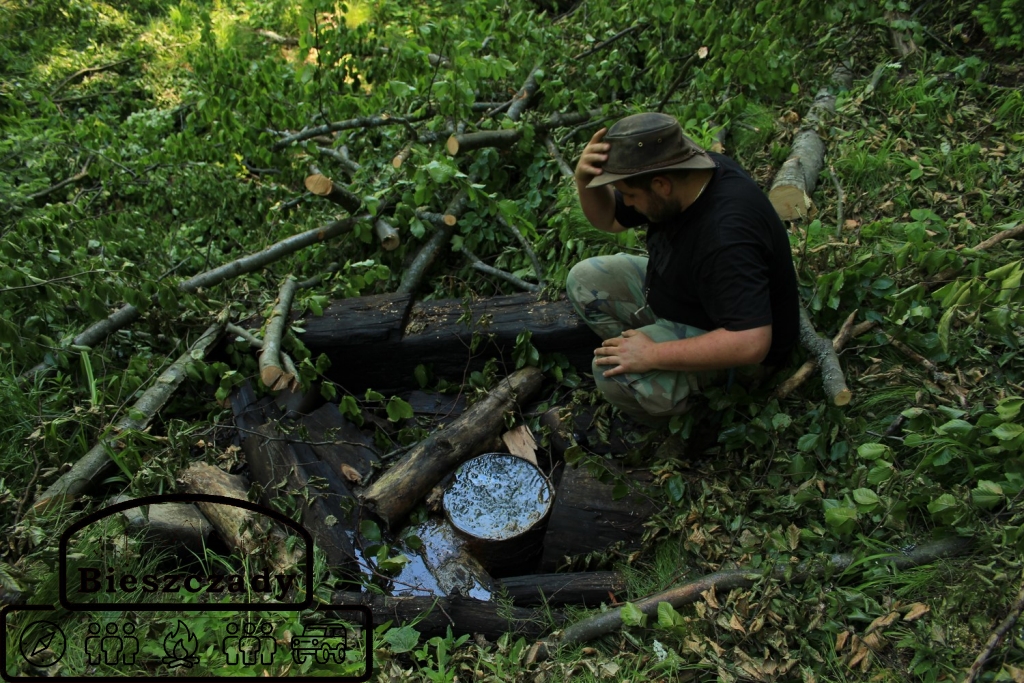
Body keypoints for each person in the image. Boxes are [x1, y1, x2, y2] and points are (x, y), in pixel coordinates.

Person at [567, 112, 799, 424]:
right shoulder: (685, 179)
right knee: (584, 280)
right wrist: (585, 180)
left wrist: (651, 355)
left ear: (661, 185)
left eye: (631, 195)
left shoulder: (726, 236)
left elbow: (752, 342)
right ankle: (651, 351)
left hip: (737, 349)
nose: (628, 203)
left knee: (612, 375)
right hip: (688, 298)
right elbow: (609, 219)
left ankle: (699, 409)